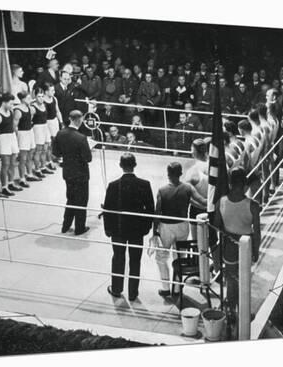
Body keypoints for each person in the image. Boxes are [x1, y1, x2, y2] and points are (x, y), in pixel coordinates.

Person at [103, 153, 155, 301]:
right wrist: (146, 228)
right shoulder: (144, 184)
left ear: (120, 165)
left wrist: (108, 229)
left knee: (118, 258)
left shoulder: (113, 185)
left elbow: (108, 209)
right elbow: (150, 209)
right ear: (135, 165)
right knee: (135, 260)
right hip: (137, 231)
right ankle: (133, 293)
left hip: (118, 230)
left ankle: (117, 289)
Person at [150, 162, 206, 297]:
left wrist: (155, 231)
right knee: (180, 258)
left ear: (168, 174)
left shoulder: (162, 190)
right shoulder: (188, 188)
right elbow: (202, 201)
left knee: (161, 258)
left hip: (166, 227)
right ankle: (177, 289)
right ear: (180, 174)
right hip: (182, 225)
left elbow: (157, 213)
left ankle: (165, 288)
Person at [213, 168, 261, 327]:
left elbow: (217, 226)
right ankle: (243, 312)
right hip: (246, 247)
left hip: (229, 247)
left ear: (231, 182)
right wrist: (256, 251)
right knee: (244, 280)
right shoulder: (253, 205)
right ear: (244, 183)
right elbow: (257, 233)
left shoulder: (221, 201)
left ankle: (230, 311)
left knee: (231, 281)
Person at [52, 110, 92, 235]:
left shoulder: (60, 134)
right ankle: (79, 228)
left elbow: (56, 153)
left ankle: (65, 226)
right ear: (80, 120)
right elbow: (88, 158)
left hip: (68, 172)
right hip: (81, 173)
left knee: (70, 199)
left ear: (70, 118)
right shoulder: (81, 138)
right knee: (81, 201)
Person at [0, 93, 22, 196]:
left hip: (12, 137)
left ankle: (10, 182)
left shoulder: (10, 111)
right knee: (5, 164)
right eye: (10, 104)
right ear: (4, 102)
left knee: (13, 162)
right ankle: (4, 186)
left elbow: (13, 126)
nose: (12, 106)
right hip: (3, 138)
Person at [14, 91, 39, 187]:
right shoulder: (18, 110)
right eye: (28, 98)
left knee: (31, 153)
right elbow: (14, 127)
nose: (30, 100)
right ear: (23, 99)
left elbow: (30, 119)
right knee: (23, 158)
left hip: (30, 132)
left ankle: (29, 174)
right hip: (22, 133)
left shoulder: (29, 108)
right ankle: (22, 178)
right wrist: (18, 138)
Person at [184, 139, 209, 239]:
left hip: (197, 209)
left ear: (194, 151)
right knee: (212, 241)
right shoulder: (215, 168)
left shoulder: (192, 172)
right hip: (212, 208)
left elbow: (187, 195)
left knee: (196, 242)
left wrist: (200, 205)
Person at [238, 119, 262, 199]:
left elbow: (246, 159)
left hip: (250, 171)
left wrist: (244, 172)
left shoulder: (247, 143)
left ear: (242, 130)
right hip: (256, 167)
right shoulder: (256, 139)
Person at [31, 88, 49, 179]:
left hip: (45, 126)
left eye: (42, 96)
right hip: (37, 128)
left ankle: (43, 166)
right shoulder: (33, 107)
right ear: (35, 97)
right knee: (38, 150)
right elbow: (29, 120)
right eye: (39, 96)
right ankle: (37, 169)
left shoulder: (44, 105)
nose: (41, 98)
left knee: (45, 148)